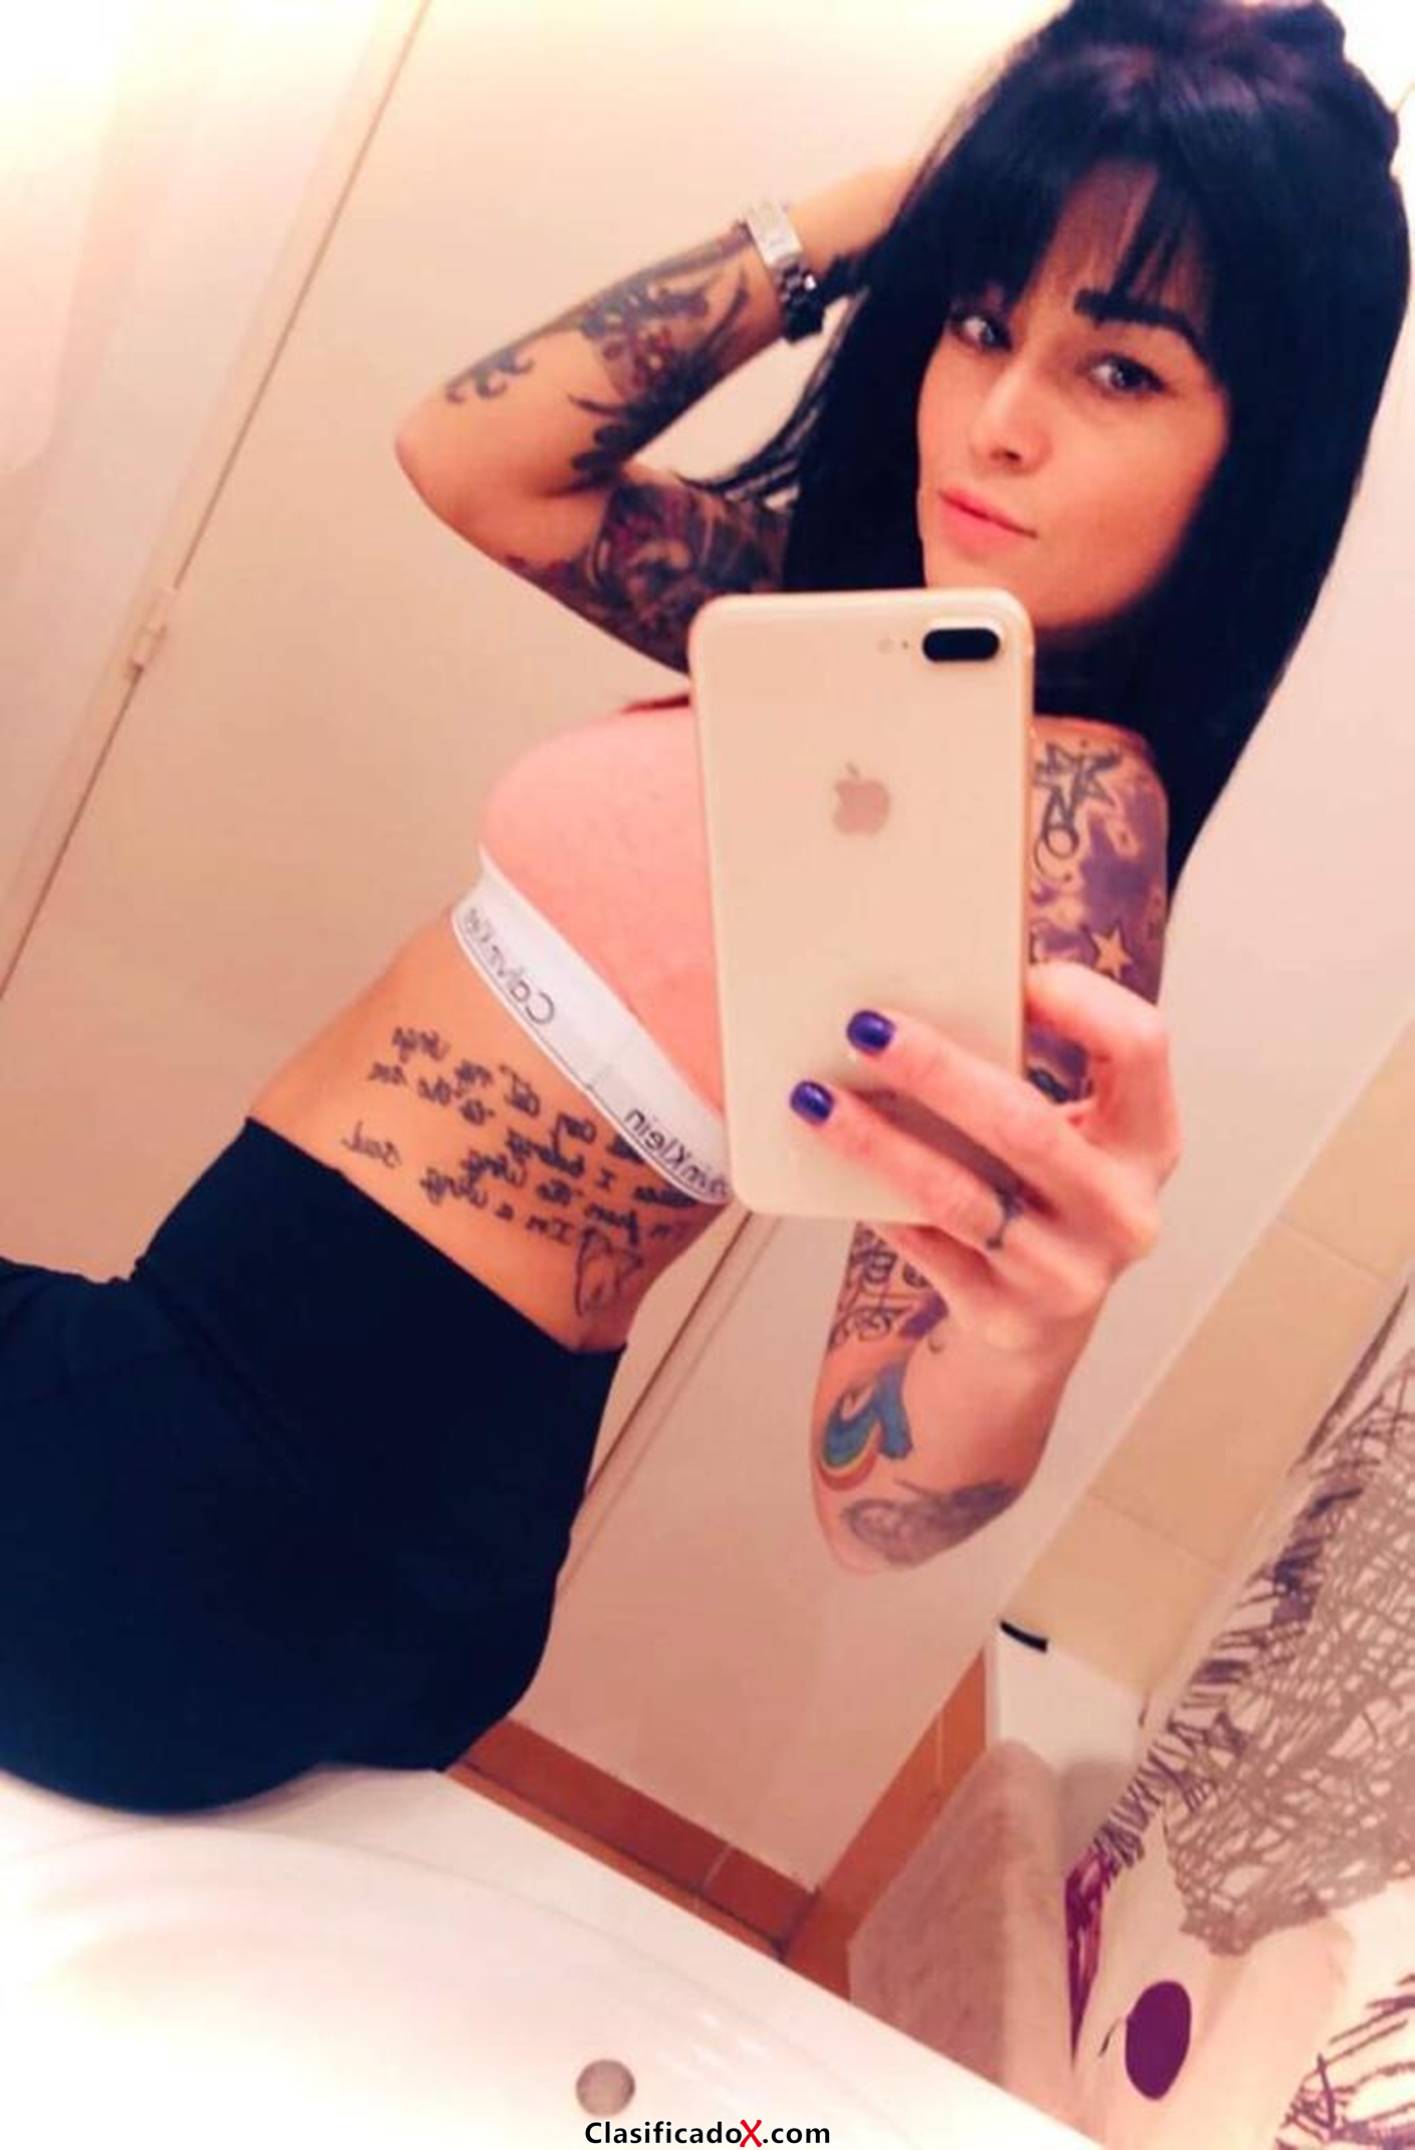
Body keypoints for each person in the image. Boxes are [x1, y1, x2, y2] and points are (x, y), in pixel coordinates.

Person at [0, 0, 1405, 1815]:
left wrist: (1026, 1331)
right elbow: (476, 457)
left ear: (1255, 454)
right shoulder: (841, 654)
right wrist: (927, 200)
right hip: (273, 1433)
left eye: (1121, 372)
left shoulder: (1066, 826)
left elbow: (872, 1486)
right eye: (983, 323)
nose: (997, 421)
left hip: (258, 1489)